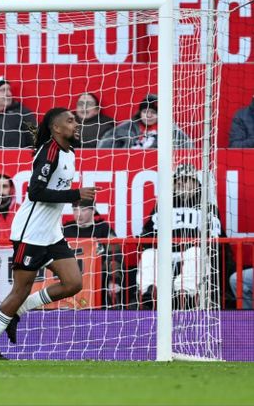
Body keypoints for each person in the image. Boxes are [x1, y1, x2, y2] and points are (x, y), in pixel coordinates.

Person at [0, 107, 97, 360]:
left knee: (73, 283)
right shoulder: (49, 152)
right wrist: (76, 195)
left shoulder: (70, 152)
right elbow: (35, 193)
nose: (76, 124)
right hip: (29, 234)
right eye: (71, 120)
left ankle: (19, 312)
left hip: (51, 233)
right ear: (56, 128)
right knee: (20, 290)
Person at [137, 163, 224, 309]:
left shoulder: (208, 208)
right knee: (148, 254)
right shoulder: (162, 206)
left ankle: (185, 294)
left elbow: (217, 239)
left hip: (192, 253)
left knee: (195, 254)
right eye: (178, 181)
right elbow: (148, 233)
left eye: (186, 180)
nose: (181, 184)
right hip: (167, 253)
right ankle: (149, 294)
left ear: (197, 183)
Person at [62, 199, 123, 307]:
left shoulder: (103, 228)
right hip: (70, 277)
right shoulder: (66, 229)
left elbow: (114, 255)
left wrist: (114, 280)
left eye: (83, 210)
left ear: (93, 210)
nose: (78, 214)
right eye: (75, 210)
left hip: (98, 278)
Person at [97, 93, 193, 149]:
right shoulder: (125, 128)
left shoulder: (172, 131)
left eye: (154, 112)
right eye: (145, 112)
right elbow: (103, 148)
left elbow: (187, 148)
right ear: (140, 113)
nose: (149, 115)